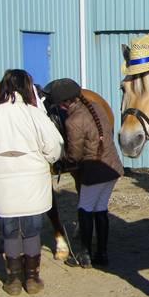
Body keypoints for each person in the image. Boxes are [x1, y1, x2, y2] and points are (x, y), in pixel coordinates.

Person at [0, 69, 64, 295]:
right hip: (33, 184)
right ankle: (32, 278)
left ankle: (13, 280)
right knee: (31, 231)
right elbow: (54, 149)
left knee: (10, 231)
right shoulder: (35, 115)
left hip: (3, 184)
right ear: (27, 88)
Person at [45, 78, 124, 268]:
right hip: (112, 167)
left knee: (85, 209)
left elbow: (74, 154)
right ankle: (102, 254)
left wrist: (62, 163)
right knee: (101, 209)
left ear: (64, 102)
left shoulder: (73, 120)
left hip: (94, 172)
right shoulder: (96, 107)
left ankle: (84, 254)